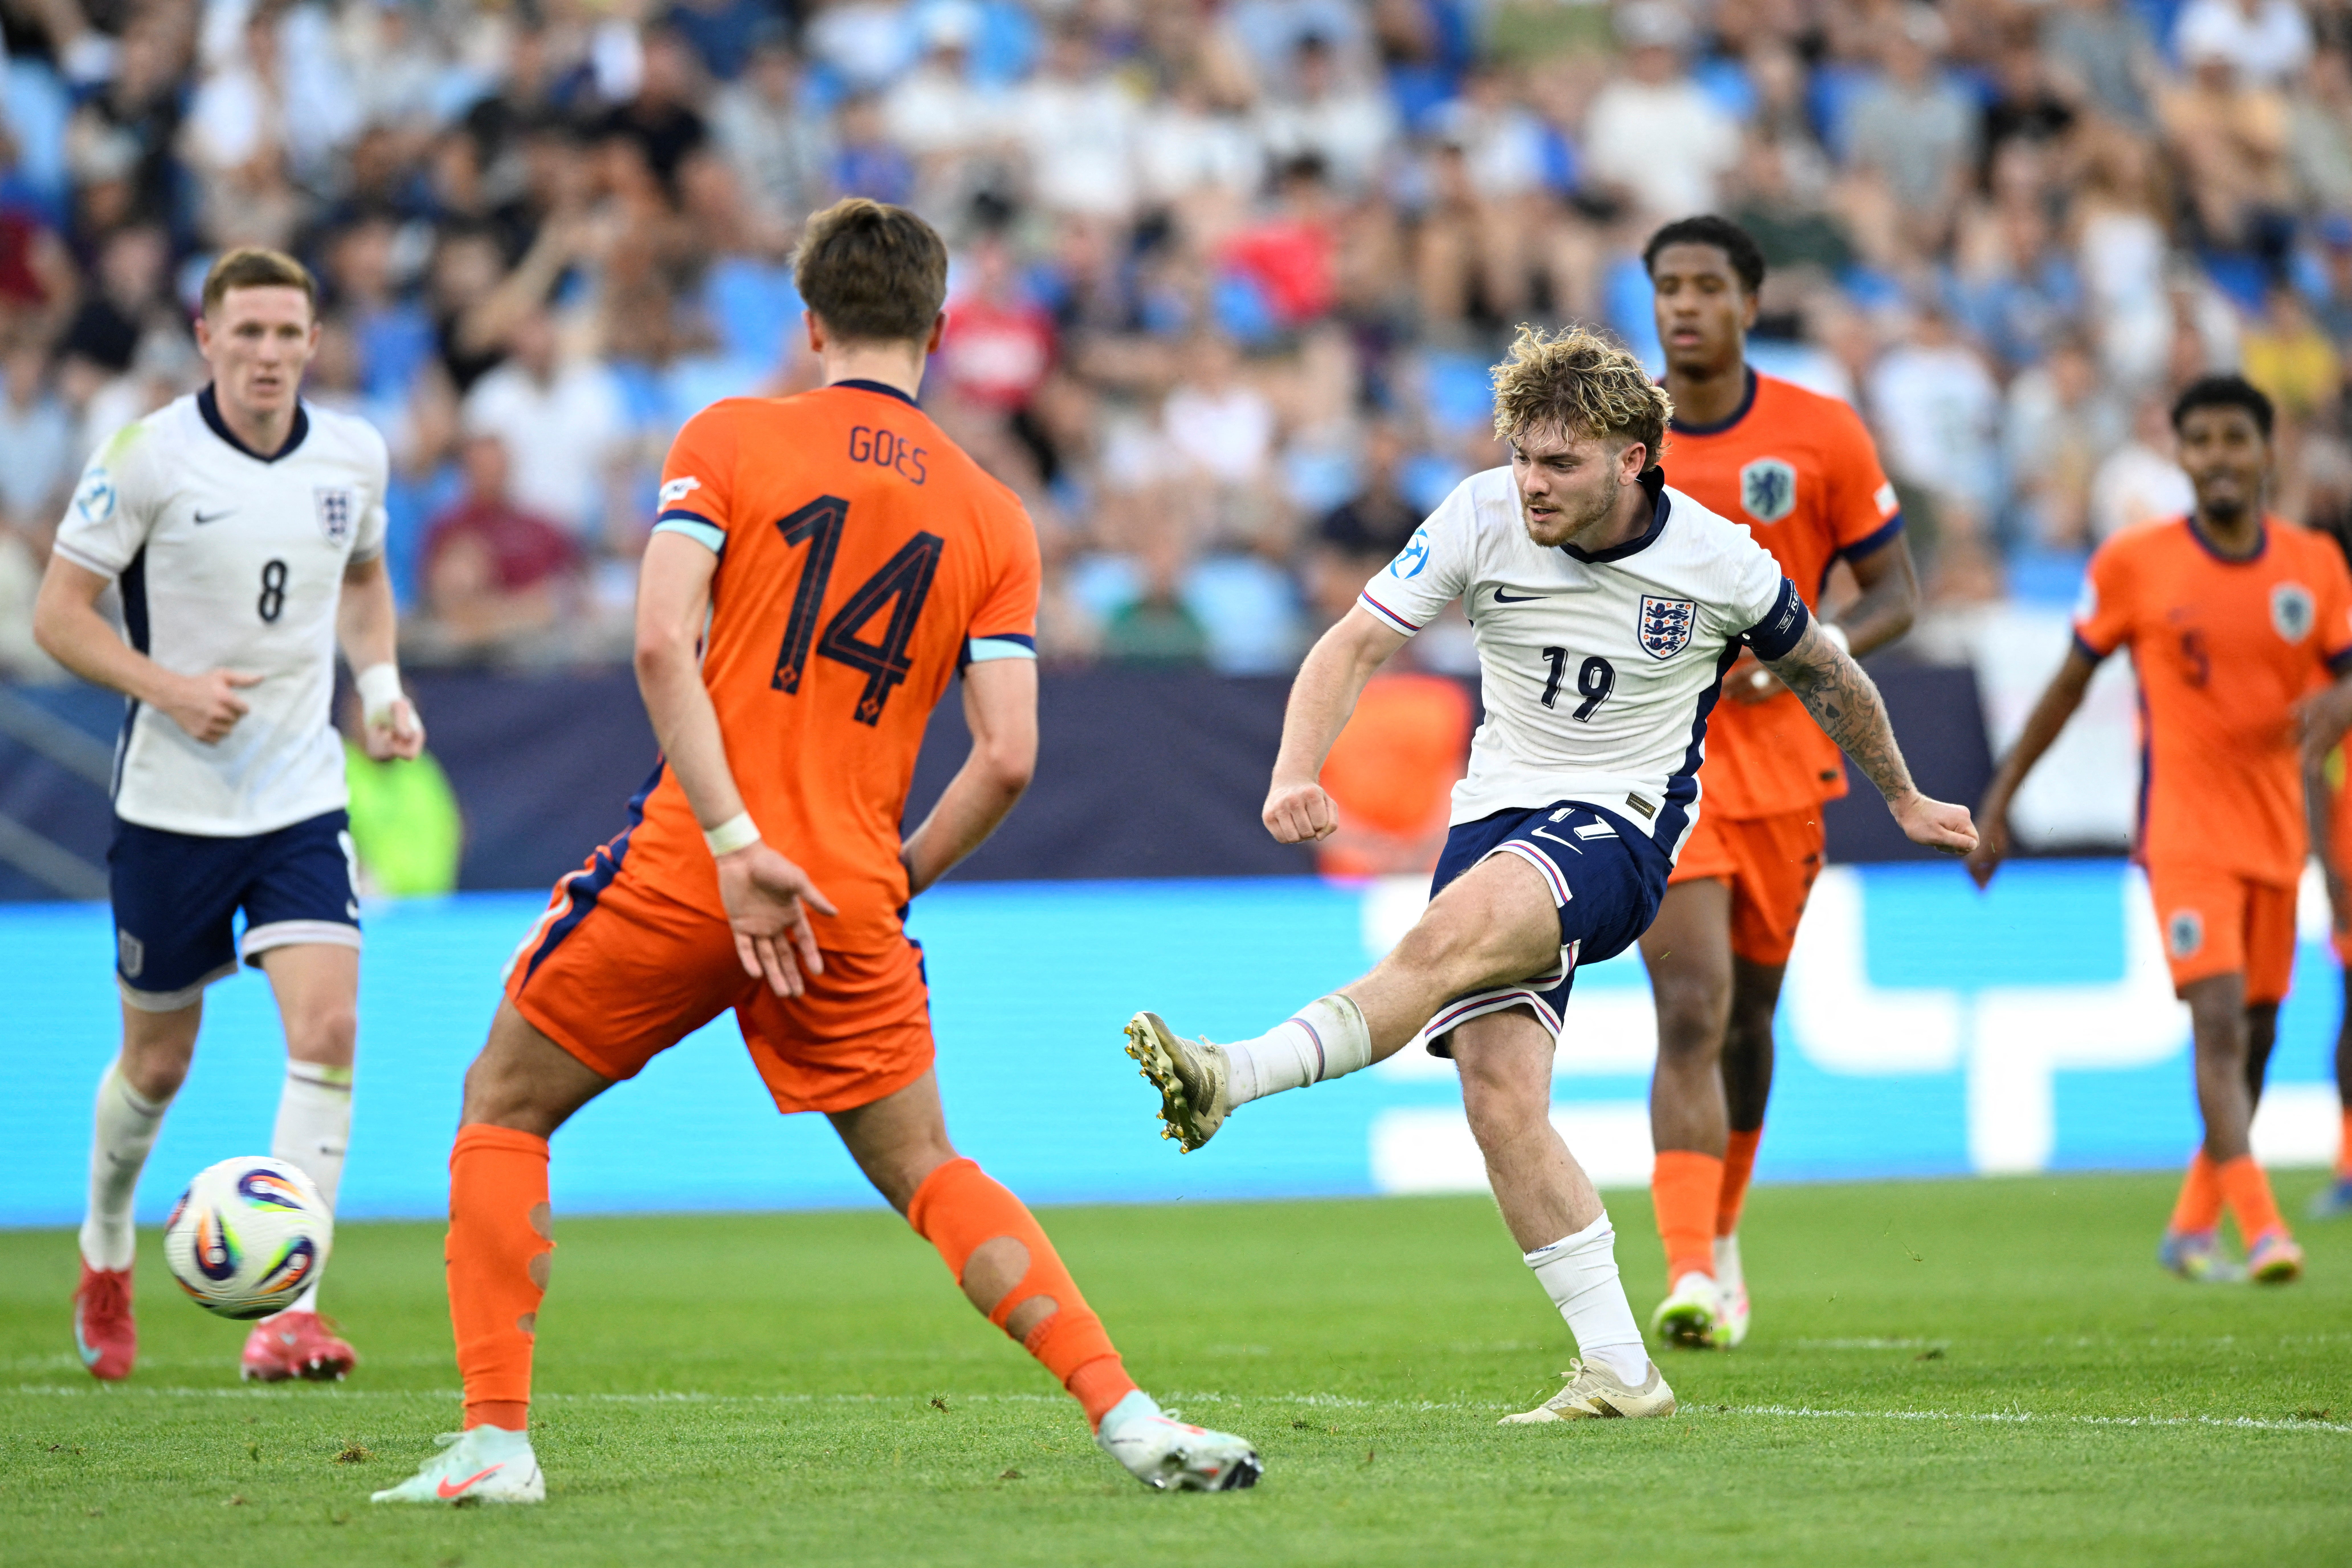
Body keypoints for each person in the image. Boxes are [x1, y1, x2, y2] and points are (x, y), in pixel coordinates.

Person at [373, 199, 1262, 1506]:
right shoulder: (992, 514)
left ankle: (498, 1443)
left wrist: (737, 840)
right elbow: (1009, 755)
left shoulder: (731, 436)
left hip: (695, 865)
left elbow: (659, 643)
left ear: (808, 321)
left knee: (503, 1106)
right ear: (941, 329)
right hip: (848, 896)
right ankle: (1128, 1414)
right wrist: (890, 878)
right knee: (931, 1168)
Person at [1119, 325, 1975, 1424]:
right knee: (1500, 1101)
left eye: (1560, 463)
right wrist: (1294, 769)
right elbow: (1349, 647)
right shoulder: (1479, 513)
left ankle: (1229, 1076)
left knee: (1435, 951)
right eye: (1523, 455)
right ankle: (1621, 1367)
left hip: (1619, 830)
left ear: (1634, 460)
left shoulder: (1719, 560)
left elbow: (1830, 672)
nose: (1532, 483)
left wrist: (1902, 795)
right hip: (1493, 820)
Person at [31, 247, 423, 1383]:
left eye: (287, 335)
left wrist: (385, 688)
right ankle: (105, 1250)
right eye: (246, 333)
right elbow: (62, 615)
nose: (267, 355)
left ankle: (291, 1310)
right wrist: (171, 688)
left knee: (332, 1031)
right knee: (158, 1063)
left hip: (301, 796)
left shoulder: (354, 454)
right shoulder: (147, 457)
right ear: (205, 338)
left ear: (314, 342)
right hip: (171, 806)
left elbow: (362, 575)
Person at [1968, 375, 2352, 1285]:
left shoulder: (2316, 565)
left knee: (2256, 1038)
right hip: (2181, 835)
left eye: (2235, 439)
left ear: (2269, 452)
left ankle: (2189, 1228)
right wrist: (1999, 800)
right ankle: (2263, 1230)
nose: (2218, 457)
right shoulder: (2137, 563)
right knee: (2218, 1023)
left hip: (2275, 836)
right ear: (2180, 456)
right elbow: (2068, 686)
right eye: (2201, 441)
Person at [1634, 216, 1918, 1351]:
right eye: (1667, 287)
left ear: (1752, 302)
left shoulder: (1820, 431)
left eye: (1707, 286)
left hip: (1785, 768)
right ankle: (1690, 1268)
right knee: (1692, 1004)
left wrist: (1814, 651)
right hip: (1659, 766)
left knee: (1749, 1020)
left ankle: (1726, 1232)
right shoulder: (1618, 436)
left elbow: (1896, 593)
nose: (1684, 306)